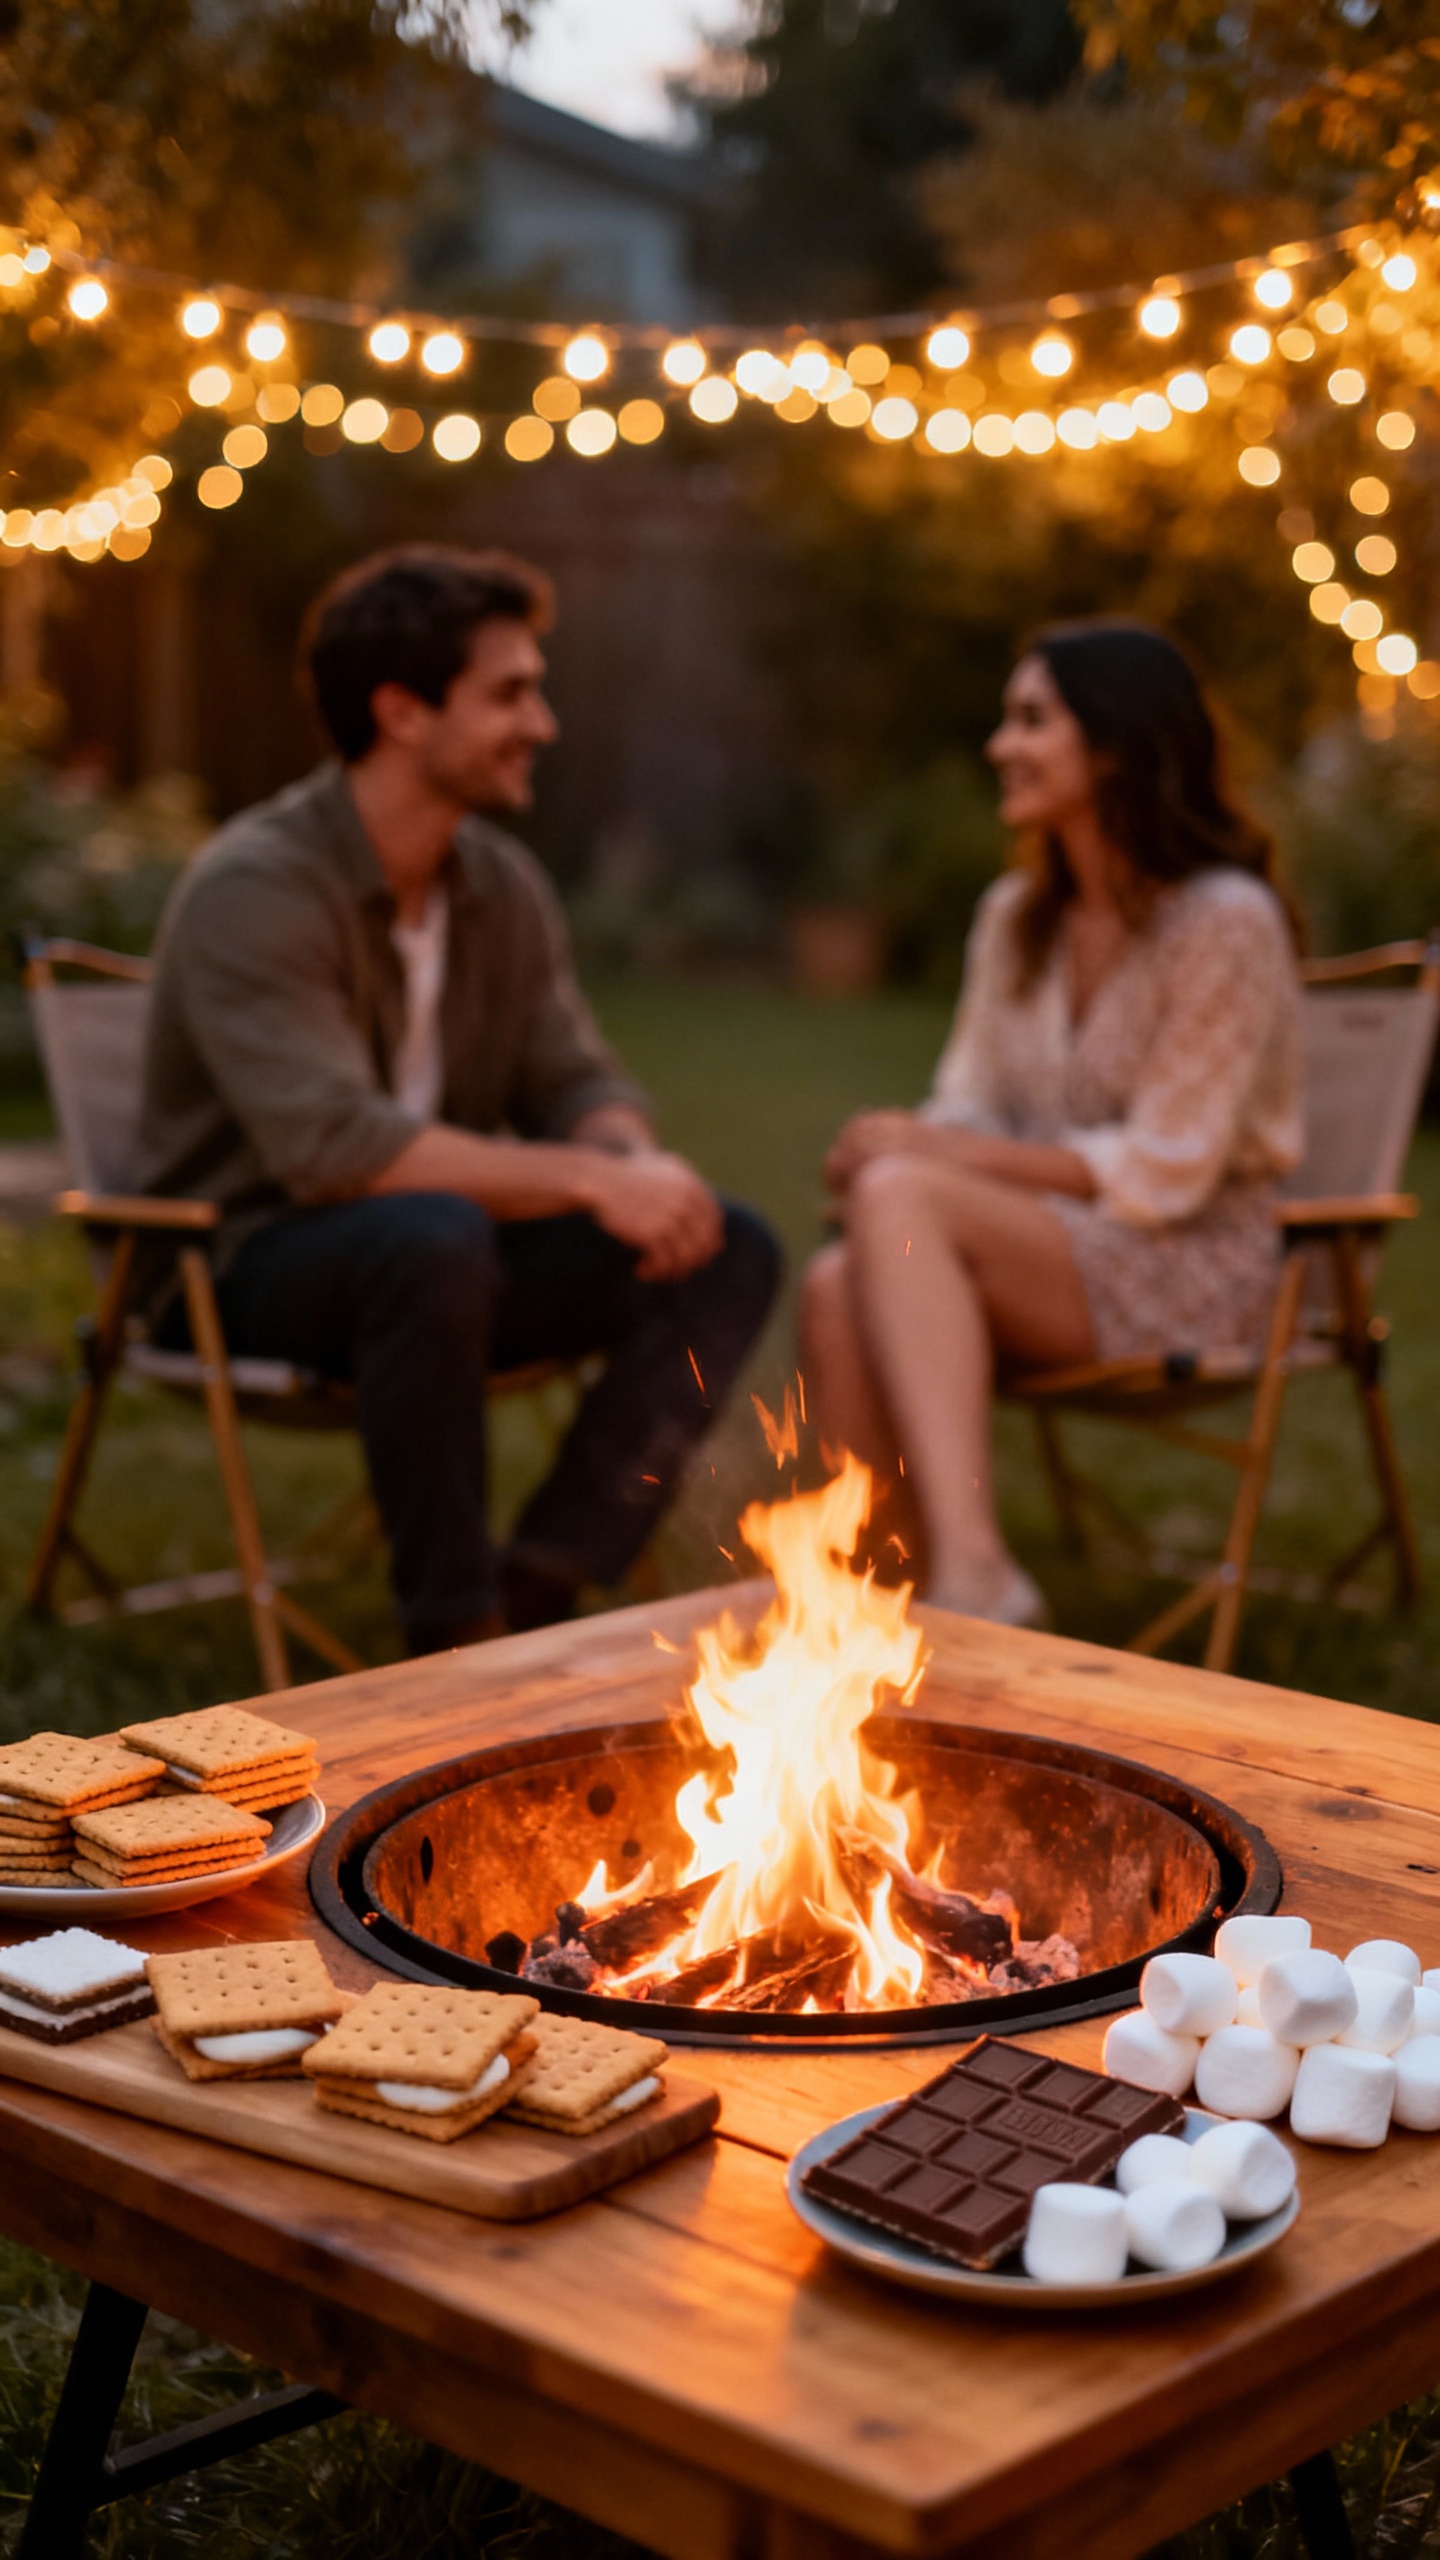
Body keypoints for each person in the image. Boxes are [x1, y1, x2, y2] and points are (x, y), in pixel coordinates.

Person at [136, 543, 781, 1652]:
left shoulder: (500, 886)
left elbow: (570, 1073)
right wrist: (587, 1179)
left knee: (725, 1243)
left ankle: (542, 1577)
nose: (544, 724)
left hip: (439, 1266)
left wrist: (627, 1153)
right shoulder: (257, 887)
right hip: (243, 1260)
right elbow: (333, 1148)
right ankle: (454, 1631)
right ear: (401, 711)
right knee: (430, 1236)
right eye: (511, 694)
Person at [800, 619, 1303, 1627]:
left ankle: (978, 1576)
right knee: (837, 1269)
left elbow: (1170, 1169)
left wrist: (934, 1158)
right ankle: (860, 1610)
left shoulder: (1226, 920)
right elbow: (970, 1100)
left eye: (1031, 720)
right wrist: (903, 1135)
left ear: (1116, 744)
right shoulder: (1014, 917)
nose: (1000, 746)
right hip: (1049, 1248)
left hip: (1190, 1260)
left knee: (899, 1196)